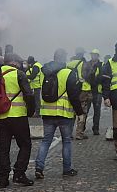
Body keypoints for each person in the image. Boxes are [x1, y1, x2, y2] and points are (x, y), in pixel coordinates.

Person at [35, 49, 83, 179]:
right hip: (63, 113)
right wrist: (80, 112)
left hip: (47, 112)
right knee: (67, 141)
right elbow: (73, 95)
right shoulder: (68, 73)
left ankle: (39, 167)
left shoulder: (44, 72)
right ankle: (67, 169)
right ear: (64, 58)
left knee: (46, 141)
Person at [0, 52, 35, 187]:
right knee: (25, 145)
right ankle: (19, 173)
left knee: (3, 148)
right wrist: (30, 111)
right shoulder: (18, 74)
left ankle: (3, 178)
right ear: (15, 62)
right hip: (17, 116)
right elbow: (28, 94)